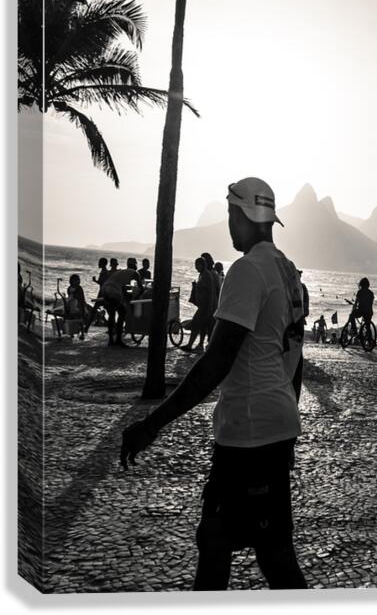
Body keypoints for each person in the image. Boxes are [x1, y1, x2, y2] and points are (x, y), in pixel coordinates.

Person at [120, 177, 307, 590]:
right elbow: (295, 356)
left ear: (241, 215)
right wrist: (287, 425)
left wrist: (153, 423)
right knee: (252, 546)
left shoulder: (248, 270)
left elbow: (217, 361)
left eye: (228, 215)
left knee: (247, 548)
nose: (228, 225)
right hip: (271, 430)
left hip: (249, 434)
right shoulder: (288, 272)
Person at [102, 257, 142, 348]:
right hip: (113, 291)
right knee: (122, 313)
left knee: (112, 315)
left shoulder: (122, 272)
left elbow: (122, 289)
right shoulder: (136, 273)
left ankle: (111, 341)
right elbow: (141, 288)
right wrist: (136, 297)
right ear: (135, 265)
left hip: (105, 289)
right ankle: (119, 340)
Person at [184, 257, 217, 353]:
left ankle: (190, 345)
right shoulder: (201, 275)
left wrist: (211, 308)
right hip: (202, 306)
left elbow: (211, 292)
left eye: (197, 265)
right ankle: (199, 346)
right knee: (203, 326)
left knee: (195, 323)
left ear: (202, 265)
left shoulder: (207, 275)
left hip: (206, 307)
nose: (196, 267)